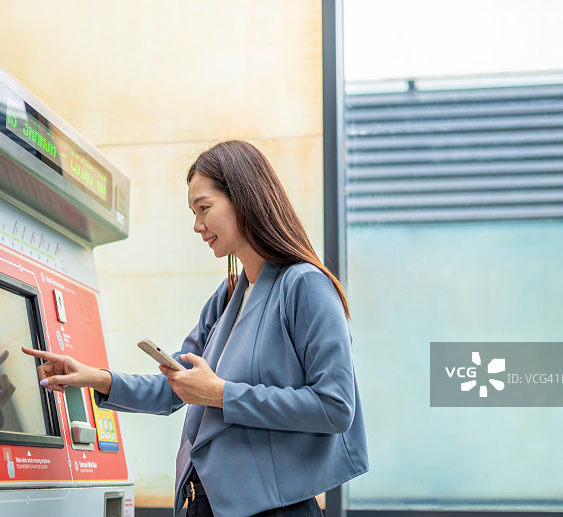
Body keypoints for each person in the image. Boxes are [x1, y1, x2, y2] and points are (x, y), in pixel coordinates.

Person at [23, 140, 369, 517]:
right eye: (193, 212)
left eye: (204, 208)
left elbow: (335, 407)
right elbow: (177, 387)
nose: (197, 225)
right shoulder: (228, 296)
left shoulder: (304, 285)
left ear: (244, 197)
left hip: (273, 509)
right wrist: (94, 378)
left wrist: (222, 394)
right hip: (203, 503)